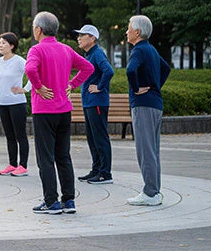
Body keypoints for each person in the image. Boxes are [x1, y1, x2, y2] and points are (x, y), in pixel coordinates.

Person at [24, 11, 94, 215]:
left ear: (38, 30)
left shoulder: (36, 50)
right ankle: (69, 201)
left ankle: (51, 202)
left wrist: (38, 86)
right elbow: (88, 68)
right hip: (64, 110)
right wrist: (72, 84)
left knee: (45, 158)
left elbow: (30, 70)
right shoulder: (66, 49)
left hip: (44, 110)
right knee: (63, 156)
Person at [124, 15, 172, 206]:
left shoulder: (138, 50)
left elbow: (130, 70)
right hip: (155, 104)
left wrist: (136, 88)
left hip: (143, 105)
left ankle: (150, 193)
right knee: (153, 150)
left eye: (129, 28)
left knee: (145, 151)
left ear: (137, 32)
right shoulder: (150, 49)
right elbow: (166, 69)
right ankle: (154, 191)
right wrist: (155, 86)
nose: (126, 31)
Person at [73, 24, 115, 185]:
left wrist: (99, 87)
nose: (78, 38)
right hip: (89, 102)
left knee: (100, 137)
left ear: (92, 38)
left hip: (97, 102)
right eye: (78, 35)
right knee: (92, 138)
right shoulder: (89, 55)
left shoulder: (97, 53)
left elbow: (109, 71)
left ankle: (105, 173)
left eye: (82, 35)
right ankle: (96, 170)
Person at [0, 32, 32, 177]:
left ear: (12, 45)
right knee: (9, 136)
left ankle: (23, 166)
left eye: (4, 43)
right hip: (2, 103)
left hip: (17, 103)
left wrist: (25, 89)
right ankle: (12, 164)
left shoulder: (19, 61)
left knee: (20, 135)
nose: (0, 45)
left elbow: (33, 74)